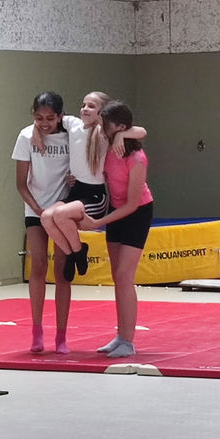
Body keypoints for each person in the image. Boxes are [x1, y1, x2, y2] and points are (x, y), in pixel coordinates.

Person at [39, 91, 146, 283]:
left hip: (95, 196)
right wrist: (35, 132)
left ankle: (76, 251)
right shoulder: (72, 123)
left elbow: (142, 131)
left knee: (60, 214)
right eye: (83, 105)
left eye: (91, 106)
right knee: (46, 217)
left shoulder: (103, 133)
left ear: (101, 113)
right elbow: (48, 119)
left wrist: (121, 135)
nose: (85, 109)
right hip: (76, 191)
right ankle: (75, 252)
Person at [78, 101, 153, 358]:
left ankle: (128, 341)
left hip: (137, 212)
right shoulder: (108, 145)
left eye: (105, 123)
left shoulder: (137, 159)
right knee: (116, 276)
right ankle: (120, 336)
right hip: (117, 210)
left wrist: (98, 222)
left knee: (124, 275)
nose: (100, 127)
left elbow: (132, 204)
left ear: (119, 127)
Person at [12, 91, 73, 354]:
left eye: (50, 118)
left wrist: (75, 180)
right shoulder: (26, 136)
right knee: (38, 265)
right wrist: (37, 208)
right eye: (39, 118)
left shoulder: (71, 134)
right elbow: (20, 183)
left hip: (62, 209)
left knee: (62, 271)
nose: (44, 123)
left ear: (61, 116)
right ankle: (37, 330)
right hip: (36, 209)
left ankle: (61, 335)